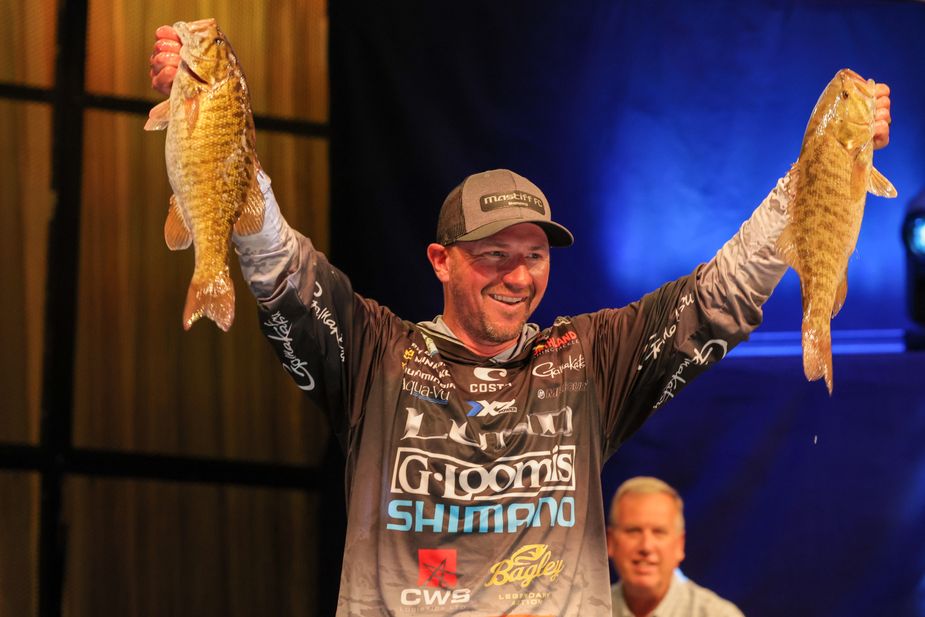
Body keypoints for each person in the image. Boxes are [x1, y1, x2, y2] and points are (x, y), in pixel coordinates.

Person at [149, 25, 892, 617]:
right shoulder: (375, 351)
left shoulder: (587, 359)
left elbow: (721, 291)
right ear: (440, 260)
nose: (518, 274)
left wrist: (828, 160)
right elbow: (276, 262)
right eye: (493, 254)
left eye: (533, 254)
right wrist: (209, 114)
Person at [607, 476, 743, 617]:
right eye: (633, 531)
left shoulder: (717, 614)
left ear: (679, 545)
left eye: (659, 532)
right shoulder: (586, 610)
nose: (646, 546)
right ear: (610, 542)